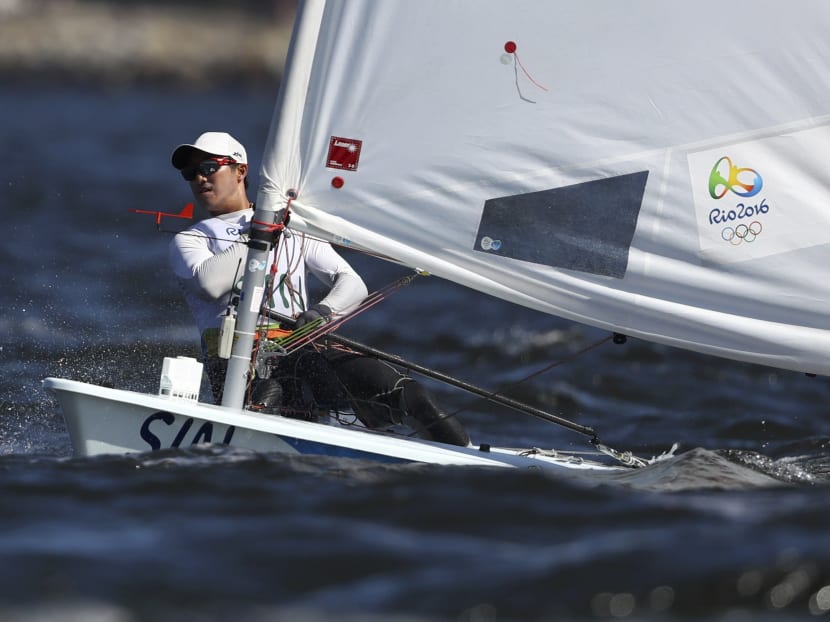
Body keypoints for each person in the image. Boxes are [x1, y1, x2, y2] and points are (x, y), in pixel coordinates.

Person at [168, 131, 469, 447]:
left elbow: (352, 282)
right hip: (239, 366)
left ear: (241, 170)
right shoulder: (192, 239)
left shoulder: (292, 227)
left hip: (301, 351)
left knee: (411, 395)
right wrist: (259, 234)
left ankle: (467, 464)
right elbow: (209, 284)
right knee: (271, 396)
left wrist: (322, 312)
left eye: (209, 168)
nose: (199, 178)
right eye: (190, 173)